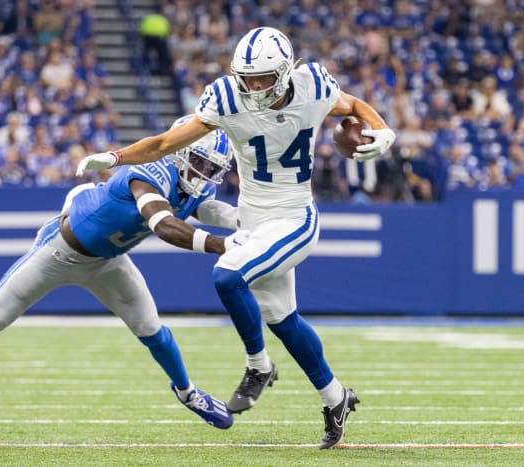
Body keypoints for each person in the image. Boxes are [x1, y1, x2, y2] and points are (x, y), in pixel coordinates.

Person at [76, 27, 396, 449]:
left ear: (284, 72)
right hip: (252, 218)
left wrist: (383, 131)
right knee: (283, 319)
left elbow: (351, 105)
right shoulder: (226, 96)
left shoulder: (312, 84)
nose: (254, 86)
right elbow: (164, 143)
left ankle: (258, 366)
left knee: (227, 276)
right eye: (247, 76)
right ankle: (336, 398)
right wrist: (116, 157)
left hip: (294, 215)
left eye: (263, 77)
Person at [0, 118, 242, 430]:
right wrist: (228, 246)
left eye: (214, 170)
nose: (206, 174)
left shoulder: (188, 182)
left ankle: (187, 392)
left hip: (108, 260)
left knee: (152, 330)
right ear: (180, 154)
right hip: (60, 249)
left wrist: (246, 221)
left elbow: (206, 209)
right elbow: (166, 228)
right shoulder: (148, 173)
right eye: (203, 164)